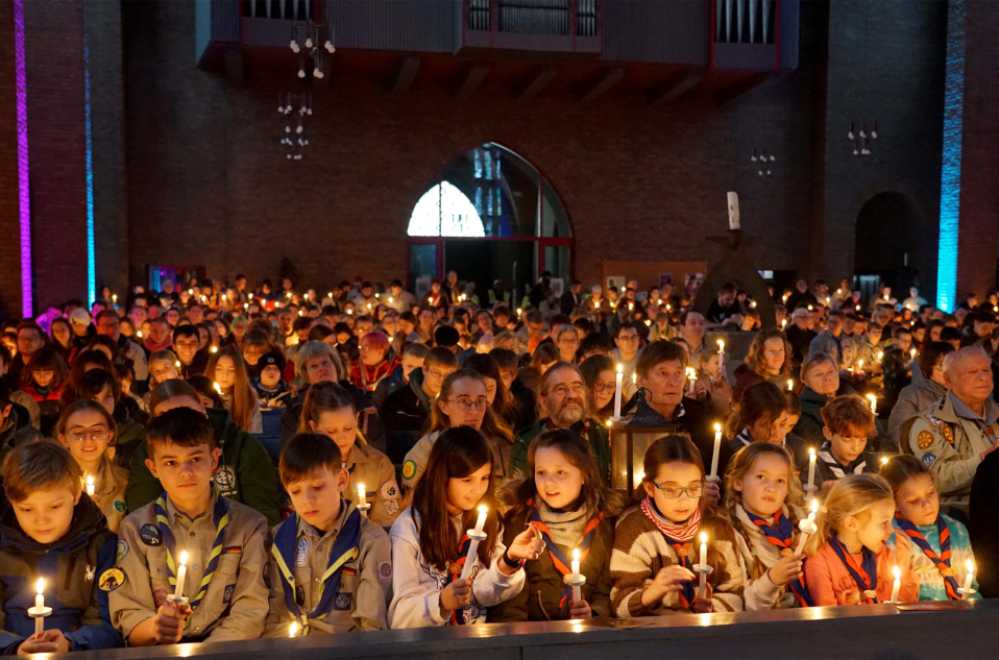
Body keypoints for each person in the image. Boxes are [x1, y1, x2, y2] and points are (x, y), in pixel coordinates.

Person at [109, 408, 269, 644]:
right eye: (171, 462)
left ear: (214, 460)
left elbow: (250, 610)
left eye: (195, 459)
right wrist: (156, 626)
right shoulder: (135, 527)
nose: (185, 472)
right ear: (153, 468)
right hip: (159, 649)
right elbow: (129, 612)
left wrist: (205, 653)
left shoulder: (249, 525)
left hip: (225, 651)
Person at [388, 426, 543, 628]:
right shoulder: (409, 528)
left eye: (484, 478)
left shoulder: (488, 520)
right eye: (466, 480)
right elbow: (400, 617)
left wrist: (508, 561)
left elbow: (482, 593)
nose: (477, 489)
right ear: (442, 478)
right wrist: (442, 602)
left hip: (475, 639)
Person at [264, 433, 391, 635]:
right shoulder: (279, 539)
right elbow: (273, 617)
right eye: (296, 491)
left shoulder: (370, 541)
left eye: (317, 487)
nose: (307, 500)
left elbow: (371, 626)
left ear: (341, 480)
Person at [489, 429, 623, 621]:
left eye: (560, 473)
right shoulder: (519, 523)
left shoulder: (605, 524)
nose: (549, 483)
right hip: (535, 638)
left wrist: (593, 613)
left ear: (584, 474)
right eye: (541, 472)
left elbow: (606, 589)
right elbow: (510, 601)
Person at [0, 440, 120, 654]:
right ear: (11, 502)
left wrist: (71, 642)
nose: (41, 520)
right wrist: (14, 647)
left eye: (54, 506)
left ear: (75, 495)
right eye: (27, 509)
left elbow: (108, 623)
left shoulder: (100, 547)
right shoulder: (3, 548)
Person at [610, 434, 745, 616]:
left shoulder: (718, 527)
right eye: (670, 489)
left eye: (693, 488)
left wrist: (712, 606)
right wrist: (652, 592)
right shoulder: (635, 528)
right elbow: (620, 604)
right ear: (650, 488)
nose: (683, 499)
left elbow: (737, 593)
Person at [125, 380, 281, 525]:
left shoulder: (241, 445)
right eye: (166, 418)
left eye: (188, 413)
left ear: (203, 408)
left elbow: (263, 515)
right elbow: (144, 517)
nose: (178, 425)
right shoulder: (147, 453)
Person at [904, 345, 998, 517]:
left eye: (986, 370)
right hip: (964, 513)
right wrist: (985, 461)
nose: (983, 377)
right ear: (948, 381)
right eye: (972, 372)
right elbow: (935, 478)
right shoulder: (930, 424)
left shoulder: (996, 412)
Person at [802, 474, 919, 606]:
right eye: (883, 523)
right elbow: (827, 619)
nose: (891, 531)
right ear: (851, 524)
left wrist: (904, 565)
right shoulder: (820, 561)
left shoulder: (884, 555)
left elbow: (906, 605)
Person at [300, 382, 401, 527]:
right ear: (314, 427)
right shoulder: (301, 465)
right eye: (331, 431)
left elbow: (388, 518)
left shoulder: (378, 464)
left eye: (348, 428)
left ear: (356, 419)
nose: (342, 438)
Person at [724, 443, 811, 609]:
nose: (771, 488)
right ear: (738, 482)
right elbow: (735, 604)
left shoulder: (803, 524)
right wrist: (771, 580)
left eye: (780, 480)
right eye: (761, 477)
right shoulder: (728, 533)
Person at [881, 455, 977, 601]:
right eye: (914, 501)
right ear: (894, 504)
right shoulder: (892, 536)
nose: (926, 504)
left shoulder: (957, 530)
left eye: (930, 493)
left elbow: (973, 586)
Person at [402, 369, 515, 492]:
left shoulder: (499, 447)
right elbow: (412, 500)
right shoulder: (426, 450)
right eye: (464, 401)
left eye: (480, 401)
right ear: (444, 406)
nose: (474, 410)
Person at [509, 363, 611, 484]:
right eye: (561, 389)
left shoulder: (599, 434)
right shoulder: (526, 442)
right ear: (543, 400)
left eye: (577, 387)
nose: (572, 395)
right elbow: (520, 492)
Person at [55, 401, 129, 532]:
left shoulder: (124, 481)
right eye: (78, 433)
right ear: (64, 438)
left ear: (109, 435)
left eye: (97, 431)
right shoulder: (52, 484)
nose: (88, 439)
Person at [380, 347, 457, 465]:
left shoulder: (456, 404)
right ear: (424, 369)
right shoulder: (397, 401)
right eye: (436, 373)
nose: (442, 380)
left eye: (448, 375)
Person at [886, 341, 953, 451]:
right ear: (928, 368)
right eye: (941, 367)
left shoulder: (965, 393)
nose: (948, 372)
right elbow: (899, 433)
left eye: (952, 366)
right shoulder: (913, 394)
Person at [808, 395, 877, 491]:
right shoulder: (814, 466)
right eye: (847, 438)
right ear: (828, 433)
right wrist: (822, 491)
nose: (855, 447)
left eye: (862, 440)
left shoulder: (871, 464)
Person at [206, 345, 261, 434]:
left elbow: (255, 434)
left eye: (231, 370)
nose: (225, 375)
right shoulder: (202, 394)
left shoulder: (249, 396)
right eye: (219, 369)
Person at [727, 382, 793, 450]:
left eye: (782, 424)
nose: (776, 433)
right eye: (766, 425)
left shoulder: (797, 449)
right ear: (748, 423)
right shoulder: (733, 454)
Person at [733, 331, 793, 402]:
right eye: (772, 351)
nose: (778, 355)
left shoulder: (788, 377)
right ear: (760, 353)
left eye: (781, 350)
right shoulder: (750, 384)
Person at [579, 354, 615, 423]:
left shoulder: (610, 420)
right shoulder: (572, 418)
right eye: (599, 384)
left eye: (610, 386)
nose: (604, 391)